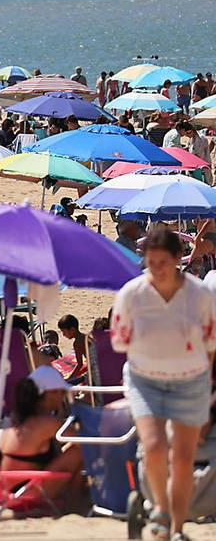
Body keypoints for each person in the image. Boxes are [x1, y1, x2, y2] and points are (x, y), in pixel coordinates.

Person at [111, 224, 216, 541]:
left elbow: (211, 345)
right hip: (146, 380)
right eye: (150, 262)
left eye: (162, 262)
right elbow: (120, 341)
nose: (155, 269)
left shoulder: (199, 294)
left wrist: (205, 389)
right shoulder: (133, 294)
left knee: (183, 459)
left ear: (177, 259)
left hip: (191, 382)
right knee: (154, 447)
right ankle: (159, 509)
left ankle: (177, 528)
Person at [0, 369, 89, 515]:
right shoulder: (47, 423)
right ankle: (74, 504)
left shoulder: (17, 420)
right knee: (81, 450)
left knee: (71, 446)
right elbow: (87, 441)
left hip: (6, 493)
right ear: (49, 394)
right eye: (61, 392)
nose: (63, 398)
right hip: (28, 494)